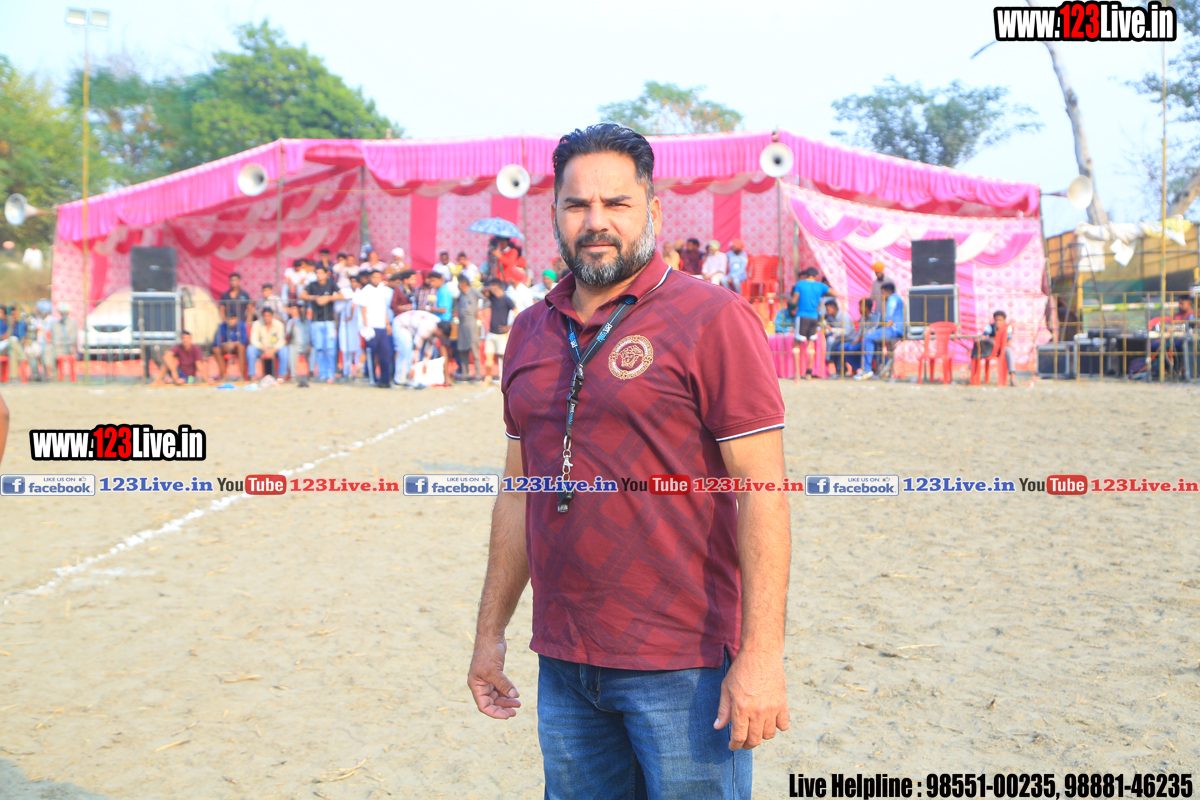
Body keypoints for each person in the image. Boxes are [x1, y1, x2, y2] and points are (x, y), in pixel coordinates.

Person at [468, 124, 790, 798]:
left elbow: (763, 493)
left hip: (684, 665)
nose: (596, 222)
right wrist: (490, 632)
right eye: (577, 205)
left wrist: (761, 656)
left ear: (654, 211)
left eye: (617, 203)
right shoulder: (529, 331)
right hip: (564, 664)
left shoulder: (713, 318)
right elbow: (517, 491)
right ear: (554, 214)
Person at [855, 281, 904, 380]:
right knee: (874, 341)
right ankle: (885, 365)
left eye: (882, 293)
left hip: (894, 329)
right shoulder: (898, 298)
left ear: (888, 292)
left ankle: (867, 370)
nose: (881, 296)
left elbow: (889, 313)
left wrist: (887, 321)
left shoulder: (892, 299)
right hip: (898, 329)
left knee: (868, 338)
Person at [790, 268, 831, 381]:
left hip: (802, 316)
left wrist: (790, 302)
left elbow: (794, 301)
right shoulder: (820, 286)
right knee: (811, 346)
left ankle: (797, 374)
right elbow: (835, 293)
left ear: (806, 275)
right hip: (814, 317)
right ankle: (809, 373)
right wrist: (821, 295)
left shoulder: (800, 284)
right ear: (816, 276)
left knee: (796, 345)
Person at [301, 263, 339, 383]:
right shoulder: (312, 285)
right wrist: (314, 298)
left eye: (321, 273)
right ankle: (322, 374)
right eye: (317, 273)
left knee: (330, 348)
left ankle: (331, 374)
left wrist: (329, 298)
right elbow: (301, 295)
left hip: (329, 320)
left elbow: (342, 295)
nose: (319, 275)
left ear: (326, 274)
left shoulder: (331, 284)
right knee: (319, 349)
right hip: (316, 321)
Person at [356, 268, 394, 388]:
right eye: (374, 277)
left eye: (378, 277)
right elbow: (363, 308)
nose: (376, 279)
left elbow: (384, 308)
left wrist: (387, 324)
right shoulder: (366, 290)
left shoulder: (382, 290)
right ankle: (372, 378)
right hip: (371, 326)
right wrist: (366, 326)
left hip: (382, 326)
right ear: (370, 278)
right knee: (371, 353)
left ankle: (385, 380)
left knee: (385, 353)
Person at [392, 308, 441, 387]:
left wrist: (425, 362)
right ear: (440, 330)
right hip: (400, 324)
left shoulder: (437, 326)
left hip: (409, 327)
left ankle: (406, 379)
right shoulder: (427, 326)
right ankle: (401, 379)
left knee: (407, 349)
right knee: (406, 349)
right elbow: (416, 347)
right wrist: (413, 368)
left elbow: (430, 346)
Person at [480, 279, 514, 388]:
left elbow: (517, 312)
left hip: (502, 334)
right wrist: (490, 288)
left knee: (504, 358)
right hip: (491, 332)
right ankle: (488, 377)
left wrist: (509, 327)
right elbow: (481, 291)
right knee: (488, 358)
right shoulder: (493, 298)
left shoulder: (507, 300)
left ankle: (503, 378)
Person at [973, 309, 1015, 383]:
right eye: (996, 320)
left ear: (1004, 320)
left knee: (1008, 350)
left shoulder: (1007, 327)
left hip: (1001, 349)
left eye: (1000, 320)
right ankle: (973, 372)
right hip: (990, 349)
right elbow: (984, 336)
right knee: (977, 347)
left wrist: (999, 342)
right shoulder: (990, 327)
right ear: (994, 320)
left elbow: (1009, 342)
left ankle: (1012, 376)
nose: (998, 322)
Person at [339, 274, 365, 381]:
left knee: (358, 348)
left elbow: (355, 306)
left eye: (355, 282)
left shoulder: (361, 293)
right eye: (352, 281)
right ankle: (347, 372)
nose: (353, 284)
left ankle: (359, 372)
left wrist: (351, 316)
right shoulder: (345, 292)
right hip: (346, 324)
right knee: (346, 348)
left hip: (357, 324)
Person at [248, 307, 287, 378]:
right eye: (265, 316)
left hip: (274, 349)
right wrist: (263, 349)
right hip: (261, 349)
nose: (266, 318)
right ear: (262, 316)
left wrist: (273, 350)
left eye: (268, 315)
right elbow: (253, 340)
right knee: (250, 349)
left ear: (272, 316)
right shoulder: (256, 324)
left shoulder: (279, 324)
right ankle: (252, 375)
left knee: (284, 350)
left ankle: (281, 375)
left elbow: (281, 340)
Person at [46, 302, 78, 380]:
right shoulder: (55, 324)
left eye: (65, 312)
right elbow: (52, 338)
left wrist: (61, 342)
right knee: (47, 350)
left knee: (53, 351)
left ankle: (57, 375)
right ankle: (52, 374)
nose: (63, 314)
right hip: (56, 348)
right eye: (62, 312)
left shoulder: (73, 323)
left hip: (68, 348)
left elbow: (73, 339)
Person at [822, 298, 854, 378]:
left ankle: (840, 370)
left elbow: (847, 332)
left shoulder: (844, 316)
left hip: (849, 339)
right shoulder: (830, 317)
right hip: (839, 340)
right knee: (832, 346)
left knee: (838, 347)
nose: (826, 311)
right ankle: (839, 370)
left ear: (834, 308)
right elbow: (829, 330)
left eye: (828, 309)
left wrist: (832, 330)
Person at [213, 311, 248, 380]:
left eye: (232, 319)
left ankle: (241, 376)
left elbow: (244, 340)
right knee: (216, 349)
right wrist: (225, 344)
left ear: (236, 319)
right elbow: (216, 342)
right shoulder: (222, 326)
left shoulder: (241, 325)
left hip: (237, 348)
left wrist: (235, 343)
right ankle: (224, 376)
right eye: (228, 319)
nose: (230, 321)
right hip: (226, 348)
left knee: (241, 347)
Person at [284, 304, 311, 382]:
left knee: (314, 350)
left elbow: (313, 337)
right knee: (291, 349)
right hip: (295, 344)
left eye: (304, 310)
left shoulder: (310, 322)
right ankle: (293, 376)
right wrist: (292, 329)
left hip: (307, 345)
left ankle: (311, 375)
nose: (302, 312)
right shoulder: (292, 321)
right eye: (301, 310)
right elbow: (289, 338)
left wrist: (310, 345)